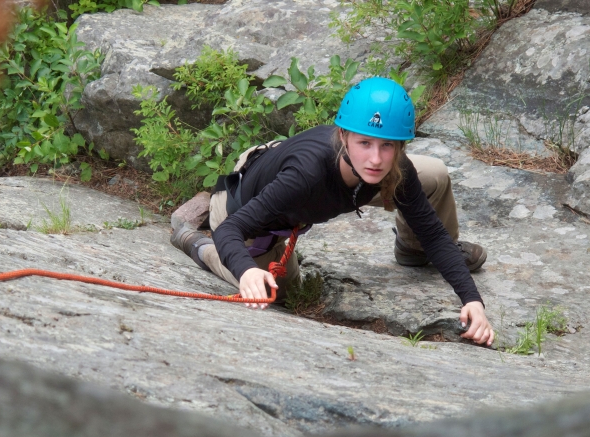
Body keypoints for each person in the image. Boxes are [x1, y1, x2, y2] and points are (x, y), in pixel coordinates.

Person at [170, 77, 494, 346]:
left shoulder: (385, 166)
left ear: (400, 146)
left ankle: (412, 251)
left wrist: (473, 300)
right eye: (365, 142)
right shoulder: (305, 177)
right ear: (344, 136)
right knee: (275, 291)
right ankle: (196, 243)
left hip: (327, 183)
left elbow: (434, 234)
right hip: (239, 209)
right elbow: (231, 230)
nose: (377, 159)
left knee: (433, 174)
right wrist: (247, 271)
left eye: (387, 145)